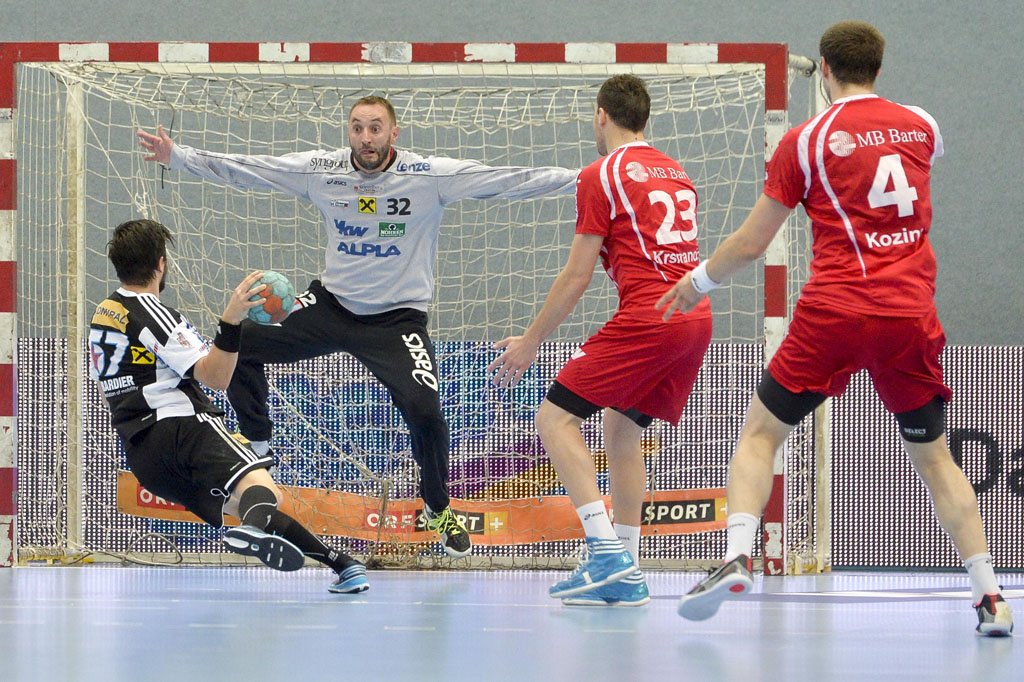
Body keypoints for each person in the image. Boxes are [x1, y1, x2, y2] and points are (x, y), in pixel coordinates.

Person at [657, 21, 1013, 636]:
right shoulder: (922, 125)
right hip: (908, 315)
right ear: (879, 67)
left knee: (760, 434)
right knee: (935, 458)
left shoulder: (805, 141)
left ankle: (736, 554)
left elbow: (752, 242)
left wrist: (698, 282)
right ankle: (991, 598)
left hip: (835, 313)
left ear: (823, 68)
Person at [137, 96, 578, 558]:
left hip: (397, 321)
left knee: (426, 412)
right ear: (348, 132)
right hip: (331, 306)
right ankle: (259, 444)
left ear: (394, 133)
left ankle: (437, 507)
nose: (366, 138)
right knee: (242, 342)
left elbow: (508, 180)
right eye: (357, 128)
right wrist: (178, 157)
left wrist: (584, 180)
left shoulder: (429, 177)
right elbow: (252, 169)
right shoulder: (321, 171)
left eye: (375, 128)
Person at [488, 74, 713, 605]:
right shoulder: (675, 171)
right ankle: (626, 570)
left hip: (652, 315)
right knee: (620, 429)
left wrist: (531, 341)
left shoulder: (600, 174)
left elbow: (577, 275)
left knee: (554, 419)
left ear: (600, 115)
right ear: (644, 118)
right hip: (696, 317)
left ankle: (605, 551)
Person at [90, 218, 369, 594]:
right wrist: (231, 320)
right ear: (161, 263)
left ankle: (344, 566)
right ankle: (254, 530)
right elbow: (216, 377)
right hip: (180, 428)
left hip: (144, 457)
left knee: (249, 504)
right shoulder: (153, 313)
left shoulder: (104, 313)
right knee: (265, 490)